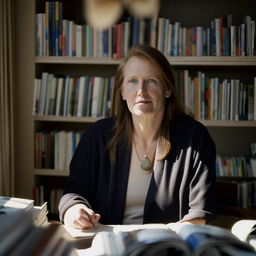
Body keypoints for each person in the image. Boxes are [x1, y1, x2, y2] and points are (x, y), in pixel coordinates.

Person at [58, 44, 216, 230]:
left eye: (151, 81)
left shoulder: (195, 138)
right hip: (109, 244)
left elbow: (199, 214)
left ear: (167, 89)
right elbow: (73, 192)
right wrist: (74, 210)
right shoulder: (97, 136)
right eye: (132, 81)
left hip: (168, 247)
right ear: (122, 91)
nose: (141, 90)